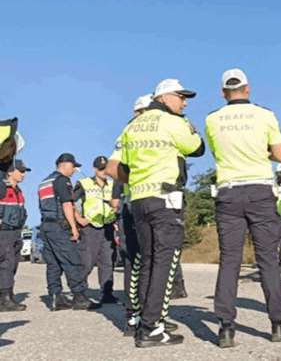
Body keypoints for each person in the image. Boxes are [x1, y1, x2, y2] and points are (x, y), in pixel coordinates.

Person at [107, 79, 204, 348]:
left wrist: (138, 179)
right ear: (165, 96)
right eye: (181, 97)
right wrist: (190, 127)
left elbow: (115, 168)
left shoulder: (131, 126)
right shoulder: (173, 121)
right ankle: (152, 327)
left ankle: (144, 322)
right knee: (165, 262)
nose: (184, 103)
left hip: (139, 199)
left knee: (148, 260)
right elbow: (197, 148)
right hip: (165, 199)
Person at [206, 68, 281, 348]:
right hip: (259, 191)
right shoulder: (264, 115)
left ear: (222, 93)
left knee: (229, 260)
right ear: (248, 88)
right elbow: (279, 154)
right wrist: (262, 149)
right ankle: (278, 323)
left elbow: (218, 152)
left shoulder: (211, 119)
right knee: (267, 257)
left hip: (228, 192)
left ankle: (226, 327)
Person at [39, 153, 100, 311]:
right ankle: (79, 297)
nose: (74, 171)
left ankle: (55, 298)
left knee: (53, 264)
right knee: (72, 260)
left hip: (46, 227)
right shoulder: (62, 180)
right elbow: (67, 205)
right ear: (65, 164)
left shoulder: (45, 182)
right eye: (73, 167)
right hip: (60, 227)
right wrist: (74, 227)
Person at [74, 156, 118, 304]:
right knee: (87, 261)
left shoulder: (112, 185)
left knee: (107, 261)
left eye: (106, 169)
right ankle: (80, 293)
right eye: (100, 169)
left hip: (108, 227)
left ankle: (107, 293)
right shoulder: (84, 183)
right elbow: (72, 203)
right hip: (90, 228)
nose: (103, 172)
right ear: (94, 169)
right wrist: (79, 219)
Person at [0, 160, 30, 312]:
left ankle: (7, 295)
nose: (24, 174)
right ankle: (5, 300)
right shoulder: (2, 188)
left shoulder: (18, 190)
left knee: (12, 265)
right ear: (10, 171)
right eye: (21, 171)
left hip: (15, 231)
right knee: (6, 264)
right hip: (4, 232)